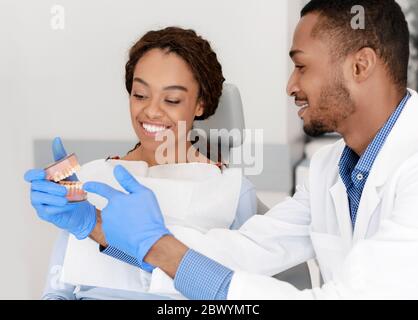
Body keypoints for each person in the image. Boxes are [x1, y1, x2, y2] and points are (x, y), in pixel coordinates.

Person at [28, 0, 418, 299]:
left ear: (361, 65)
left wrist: (151, 242)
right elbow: (244, 251)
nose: (289, 86)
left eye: (301, 66)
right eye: (140, 93)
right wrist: (93, 226)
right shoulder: (328, 168)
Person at [24, 27, 257, 300]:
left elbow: (237, 296)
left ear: (200, 104)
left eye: (171, 99)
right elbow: (57, 292)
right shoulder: (91, 177)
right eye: (140, 95)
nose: (151, 111)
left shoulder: (231, 192)